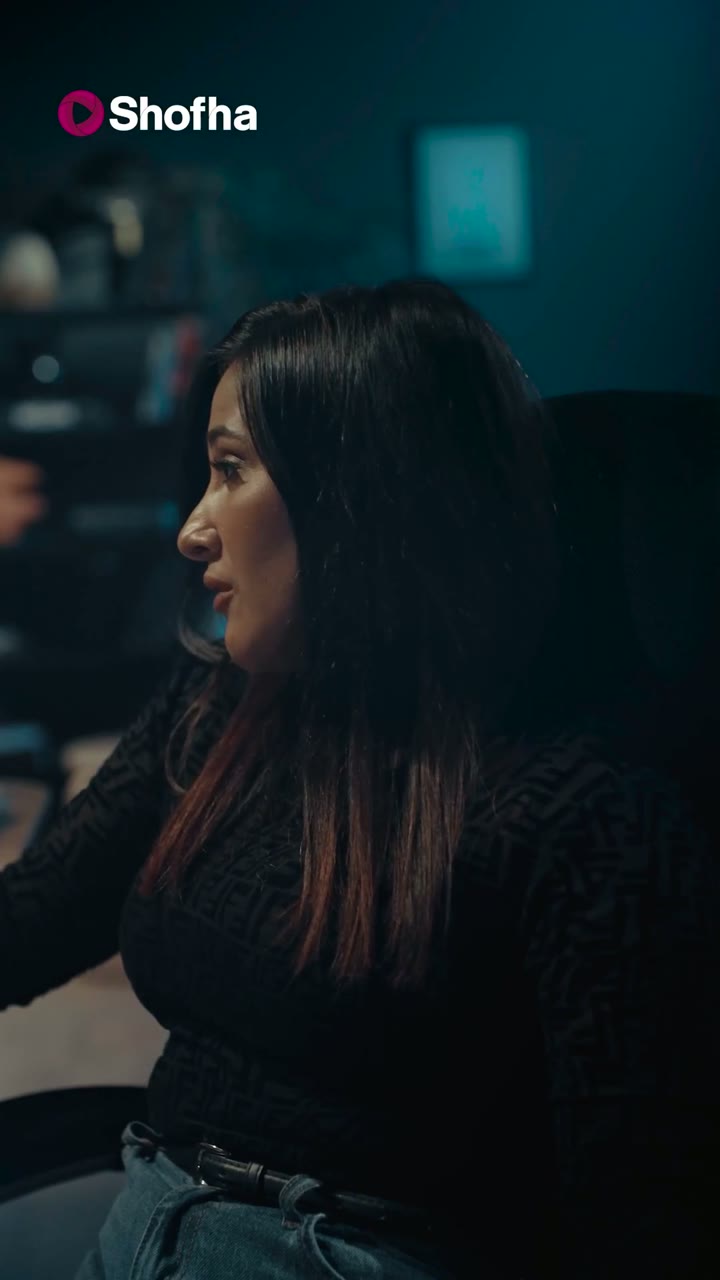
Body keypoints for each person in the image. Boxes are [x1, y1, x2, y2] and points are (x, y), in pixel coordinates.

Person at [0, 278, 717, 1280]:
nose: (193, 529)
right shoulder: (217, 712)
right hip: (141, 1224)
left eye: (231, 469)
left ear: (364, 498)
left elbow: (640, 1225)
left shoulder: (579, 816)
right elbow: (33, 916)